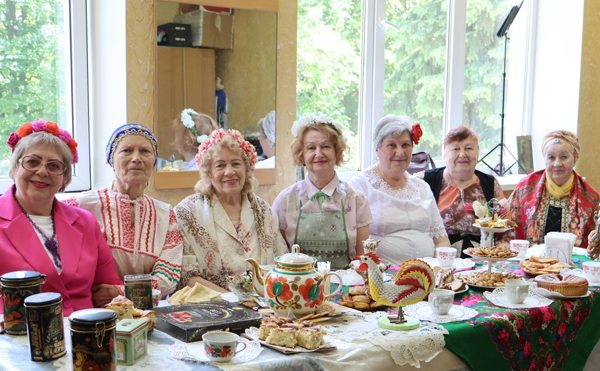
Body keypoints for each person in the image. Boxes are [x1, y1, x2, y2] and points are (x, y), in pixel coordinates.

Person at [0, 119, 122, 371]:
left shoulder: (83, 222)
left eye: (56, 166)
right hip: (17, 350)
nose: (43, 172)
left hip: (88, 342)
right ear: (15, 166)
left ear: (66, 178)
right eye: (32, 162)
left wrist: (115, 295)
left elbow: (111, 285)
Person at [65, 124, 183, 297]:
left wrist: (121, 292)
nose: (136, 158)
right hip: (94, 311)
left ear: (154, 162)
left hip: (147, 313)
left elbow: (168, 278)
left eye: (145, 151)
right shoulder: (81, 205)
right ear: (111, 160)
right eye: (127, 150)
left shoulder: (165, 215)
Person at [174, 128, 288, 291]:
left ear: (246, 168)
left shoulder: (264, 211)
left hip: (263, 306)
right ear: (209, 171)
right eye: (220, 165)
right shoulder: (186, 213)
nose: (229, 171)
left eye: (236, 163)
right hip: (212, 310)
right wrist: (233, 300)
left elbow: (282, 264)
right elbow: (185, 276)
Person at [272, 113, 371, 269]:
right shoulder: (285, 200)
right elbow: (279, 258)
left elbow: (363, 261)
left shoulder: (357, 200)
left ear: (337, 152)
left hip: (345, 286)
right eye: (311, 148)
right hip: (299, 286)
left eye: (326, 146)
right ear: (302, 155)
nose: (319, 154)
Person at [350, 115, 449, 267]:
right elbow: (357, 250)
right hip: (382, 278)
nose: (400, 152)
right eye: (391, 145)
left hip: (429, 277)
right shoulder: (359, 186)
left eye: (405, 145)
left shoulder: (422, 187)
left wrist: (440, 270)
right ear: (377, 149)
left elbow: (441, 240)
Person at [421, 125, 511, 254]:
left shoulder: (490, 184)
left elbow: (505, 230)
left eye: (469, 148)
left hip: (482, 259)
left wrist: (497, 258)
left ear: (477, 152)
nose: (462, 154)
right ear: (445, 153)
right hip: (437, 257)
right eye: (455, 149)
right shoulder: (425, 181)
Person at [508, 130, 599, 247]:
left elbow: (597, 242)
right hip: (530, 263)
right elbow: (507, 227)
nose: (557, 164)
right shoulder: (524, 188)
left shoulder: (590, 197)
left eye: (564, 157)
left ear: (574, 158)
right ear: (545, 159)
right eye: (551, 157)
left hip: (573, 264)